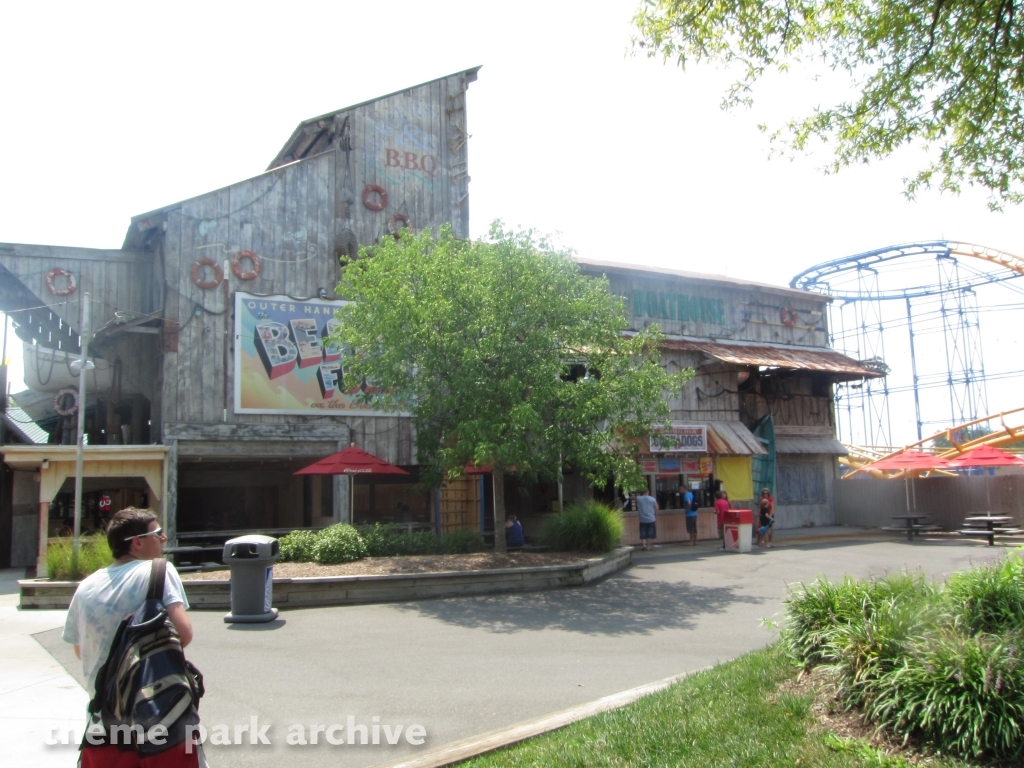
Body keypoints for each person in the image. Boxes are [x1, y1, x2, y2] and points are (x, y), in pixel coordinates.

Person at [63, 508, 197, 767]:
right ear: (137, 542)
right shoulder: (158, 571)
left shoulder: (86, 586)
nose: (164, 538)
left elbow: (81, 651)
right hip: (159, 719)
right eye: (157, 533)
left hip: (103, 726)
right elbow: (184, 634)